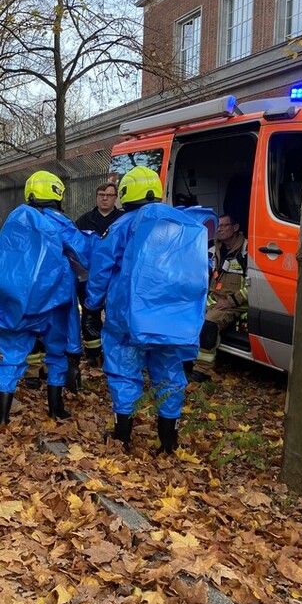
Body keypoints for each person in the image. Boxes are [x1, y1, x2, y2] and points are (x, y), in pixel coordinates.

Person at [85, 166, 214, 453]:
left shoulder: (123, 225)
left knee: (124, 373)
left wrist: (92, 307)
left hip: (127, 318)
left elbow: (101, 269)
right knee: (169, 375)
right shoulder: (180, 224)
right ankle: (168, 441)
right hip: (172, 319)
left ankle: (122, 437)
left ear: (126, 195)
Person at [0, 171, 92, 429]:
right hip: (54, 304)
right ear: (57, 195)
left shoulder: (15, 220)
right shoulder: (60, 223)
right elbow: (84, 256)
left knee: (11, 357)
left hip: (19, 304)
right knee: (57, 354)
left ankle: (1, 417)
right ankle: (56, 409)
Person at [189, 214, 248, 383]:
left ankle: (201, 370)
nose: (219, 229)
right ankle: (186, 358)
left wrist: (230, 302)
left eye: (224, 226)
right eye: (218, 226)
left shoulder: (248, 250)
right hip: (215, 299)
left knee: (209, 323)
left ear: (235, 228)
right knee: (189, 316)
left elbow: (255, 287)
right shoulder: (213, 249)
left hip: (236, 303)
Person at [76, 183, 125, 365]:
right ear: (97, 197)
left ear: (115, 198)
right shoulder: (84, 221)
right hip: (89, 277)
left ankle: (115, 353)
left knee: (115, 315)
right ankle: (92, 354)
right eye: (101, 194)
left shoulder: (123, 219)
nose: (105, 198)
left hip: (115, 277)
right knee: (90, 315)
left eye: (109, 195)